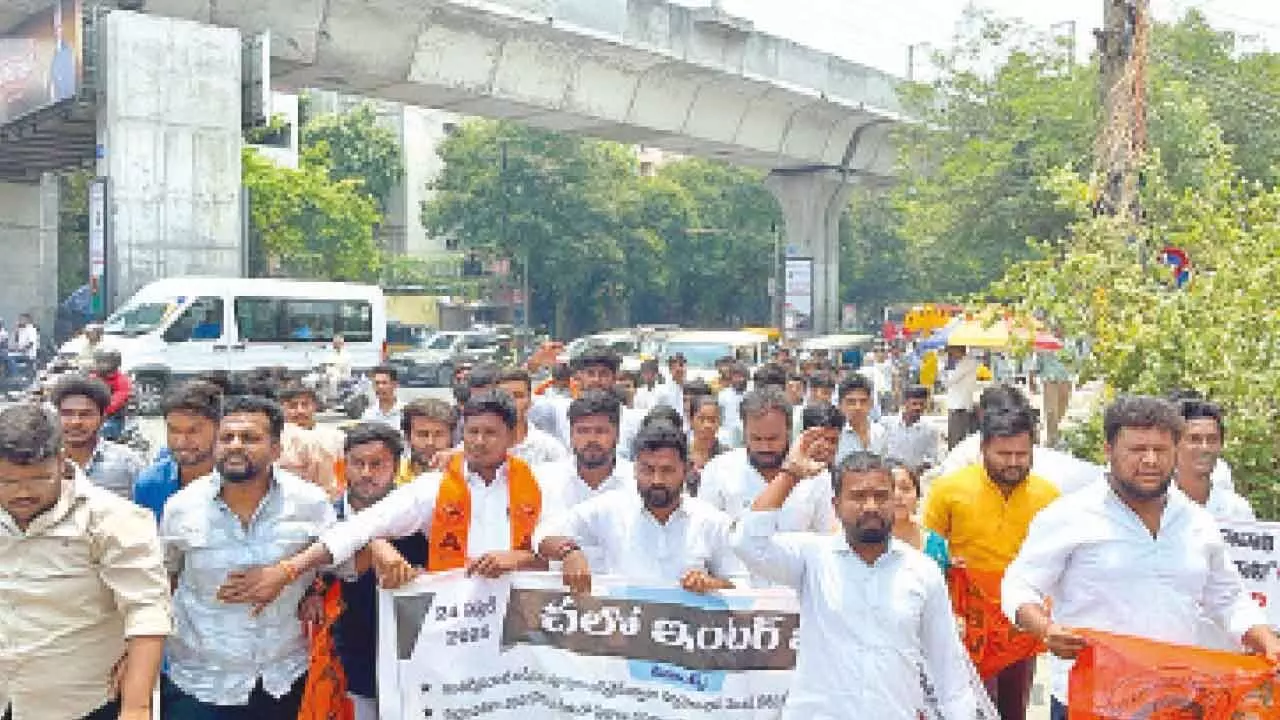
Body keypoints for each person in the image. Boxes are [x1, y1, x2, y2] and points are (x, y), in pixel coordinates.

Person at [1001, 395, 1280, 720]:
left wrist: (1265, 640)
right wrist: (1045, 629)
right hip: (1090, 699)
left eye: (1161, 450)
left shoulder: (1197, 522)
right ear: (1108, 451)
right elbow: (1019, 585)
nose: (1150, 460)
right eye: (1137, 450)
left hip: (1175, 700)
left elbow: (1229, 599)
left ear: (1176, 452)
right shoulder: (1069, 515)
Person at [732, 451, 979, 719]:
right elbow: (747, 543)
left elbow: (949, 673)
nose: (871, 506)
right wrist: (789, 475)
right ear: (835, 505)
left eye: (881, 496)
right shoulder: (812, 557)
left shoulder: (923, 571)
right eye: (858, 496)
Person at [251, 391, 548, 597]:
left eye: (490, 433)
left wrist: (520, 559)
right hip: (459, 621)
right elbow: (360, 527)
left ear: (511, 435)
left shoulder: (539, 484)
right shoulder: (434, 487)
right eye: (473, 432)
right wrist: (288, 570)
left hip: (520, 619)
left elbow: (564, 550)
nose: (479, 442)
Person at [161, 395, 336, 718]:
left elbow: (335, 565)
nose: (236, 446)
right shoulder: (181, 507)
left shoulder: (310, 504)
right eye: (227, 438)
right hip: (200, 683)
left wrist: (305, 585)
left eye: (251, 438)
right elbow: (163, 582)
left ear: (275, 449)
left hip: (284, 679)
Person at [0, 403, 171, 720]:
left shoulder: (113, 519)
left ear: (61, 462)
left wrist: (137, 708)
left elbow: (147, 611)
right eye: (7, 482)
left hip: (77, 703)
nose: (22, 492)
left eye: (38, 479)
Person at [923, 404, 1059, 720]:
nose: (1013, 462)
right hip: (966, 622)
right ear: (983, 448)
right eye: (1003, 454)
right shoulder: (949, 489)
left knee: (1014, 707)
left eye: (1022, 454)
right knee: (970, 706)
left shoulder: (1048, 495)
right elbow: (928, 550)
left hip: (1021, 622)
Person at [535, 421, 744, 594]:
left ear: (687, 470)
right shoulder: (609, 509)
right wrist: (569, 552)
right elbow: (542, 537)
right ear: (635, 469)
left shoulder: (712, 521)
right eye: (647, 470)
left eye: (667, 470)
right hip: (622, 635)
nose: (657, 480)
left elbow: (742, 585)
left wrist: (712, 585)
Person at [329, 422, 427, 720]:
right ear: (343, 465)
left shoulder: (422, 519)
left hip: (416, 664)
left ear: (397, 467)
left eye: (377, 464)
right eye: (358, 464)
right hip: (349, 664)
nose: (367, 473)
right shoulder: (324, 518)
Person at [700, 388, 836, 533]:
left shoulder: (816, 475)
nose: (765, 447)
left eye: (773, 438)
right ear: (744, 431)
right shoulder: (718, 470)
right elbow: (707, 535)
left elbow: (825, 537)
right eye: (756, 438)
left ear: (789, 431)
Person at [533, 391, 634, 569]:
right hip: (555, 591)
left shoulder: (637, 481)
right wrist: (567, 551)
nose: (592, 439)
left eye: (601, 431)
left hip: (623, 593)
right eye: (583, 431)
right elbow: (533, 540)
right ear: (571, 435)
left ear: (617, 435)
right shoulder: (543, 479)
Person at [132, 381, 222, 522]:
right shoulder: (150, 483)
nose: (181, 441)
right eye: (173, 430)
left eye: (193, 431)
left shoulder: (239, 480)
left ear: (219, 427)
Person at [50, 375, 145, 500]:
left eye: (86, 414)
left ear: (103, 418)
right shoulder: (43, 462)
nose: (75, 422)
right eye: (67, 414)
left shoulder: (127, 463)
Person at [1173, 398, 1253, 521]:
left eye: (1212, 439)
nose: (1204, 448)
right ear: (1174, 444)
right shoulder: (1153, 506)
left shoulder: (1236, 509)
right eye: (1194, 439)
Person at [276, 382, 342, 498]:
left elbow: (341, 472)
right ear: (283, 408)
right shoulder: (275, 440)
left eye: (305, 405)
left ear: (315, 406)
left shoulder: (335, 436)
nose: (300, 411)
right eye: (293, 406)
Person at [496, 367, 570, 465]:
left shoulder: (549, 448)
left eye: (519, 396)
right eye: (505, 396)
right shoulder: (483, 446)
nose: (512, 402)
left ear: (530, 401)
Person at [891, 463, 949, 574]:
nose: (897, 495)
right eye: (889, 489)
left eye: (905, 489)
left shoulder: (936, 545)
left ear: (917, 496)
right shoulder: (866, 545)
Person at [879, 384, 941, 472]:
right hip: (889, 475)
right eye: (914, 404)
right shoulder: (887, 424)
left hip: (915, 477)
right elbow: (880, 453)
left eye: (922, 404)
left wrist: (920, 468)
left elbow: (932, 458)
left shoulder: (930, 429)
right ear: (905, 403)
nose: (918, 408)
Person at [397, 398, 459, 484]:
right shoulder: (392, 476)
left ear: (452, 437)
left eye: (439, 434)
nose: (430, 442)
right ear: (407, 437)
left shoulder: (466, 476)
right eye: (423, 434)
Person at [835, 375, 886, 462]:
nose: (858, 407)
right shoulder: (835, 436)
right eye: (851, 402)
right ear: (840, 405)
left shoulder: (881, 433)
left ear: (870, 404)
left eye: (863, 401)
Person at [685, 394, 728, 497]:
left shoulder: (727, 457)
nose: (707, 425)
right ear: (691, 420)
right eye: (701, 419)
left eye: (712, 420)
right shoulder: (680, 454)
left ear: (719, 423)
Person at [943, 345, 979, 449]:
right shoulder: (963, 363)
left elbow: (948, 382)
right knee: (956, 436)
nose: (952, 355)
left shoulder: (967, 363)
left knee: (956, 438)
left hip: (959, 405)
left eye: (952, 352)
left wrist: (947, 368)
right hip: (958, 404)